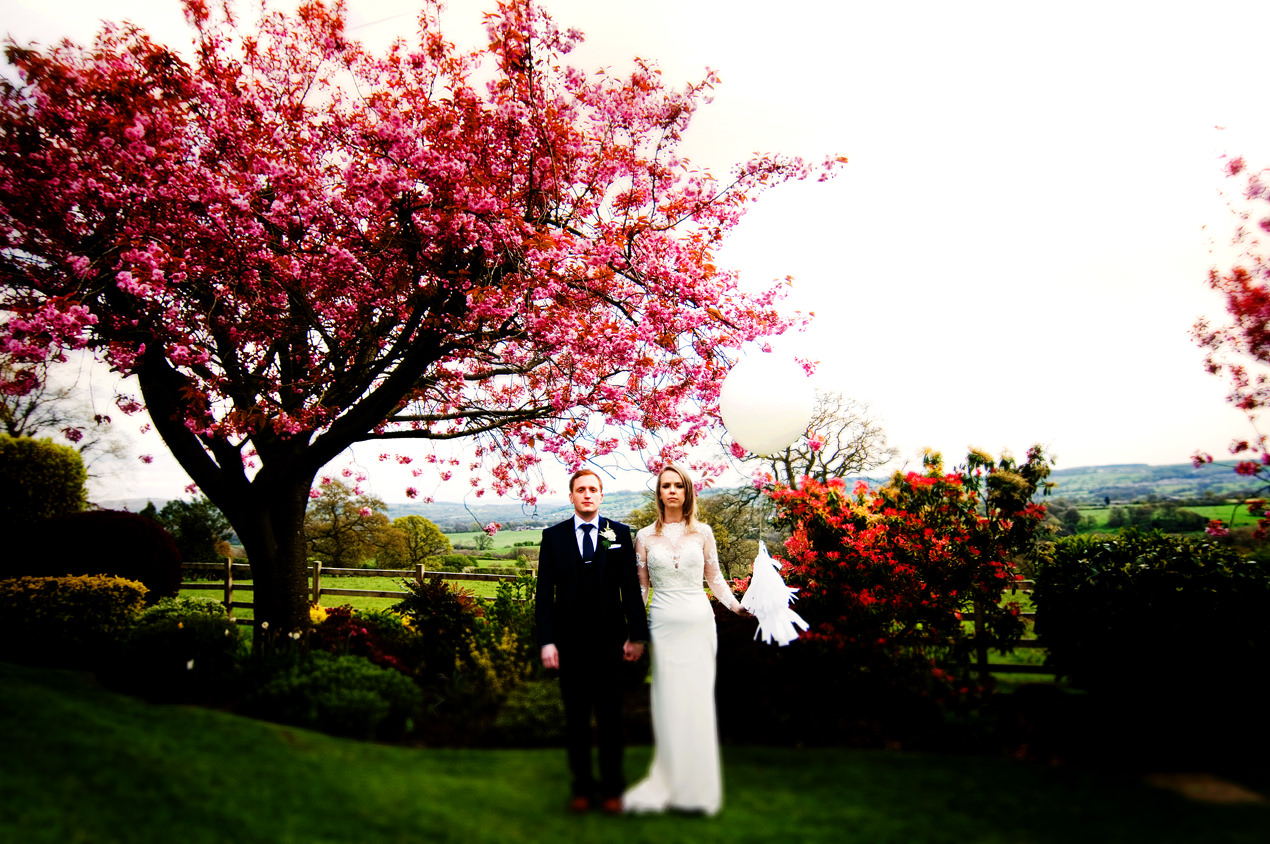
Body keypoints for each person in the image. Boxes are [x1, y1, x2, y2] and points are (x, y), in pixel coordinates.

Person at [623, 462, 748, 816]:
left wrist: (738, 608)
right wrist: (633, 632)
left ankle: (698, 788)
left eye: (678, 485)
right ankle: (670, 780)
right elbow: (640, 589)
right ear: (659, 493)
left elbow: (716, 580)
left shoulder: (703, 533)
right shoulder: (645, 537)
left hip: (698, 625)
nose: (672, 491)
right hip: (662, 625)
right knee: (669, 702)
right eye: (666, 486)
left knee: (697, 702)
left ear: (687, 491)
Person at [535, 469, 649, 814]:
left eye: (593, 490)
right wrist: (547, 642)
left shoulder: (618, 533)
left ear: (601, 496)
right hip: (568, 646)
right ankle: (582, 789)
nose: (587, 495)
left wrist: (637, 635)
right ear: (571, 496)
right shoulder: (553, 537)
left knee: (611, 721)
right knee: (577, 722)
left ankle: (613, 791)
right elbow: (543, 596)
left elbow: (630, 590)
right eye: (581, 489)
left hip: (611, 645)